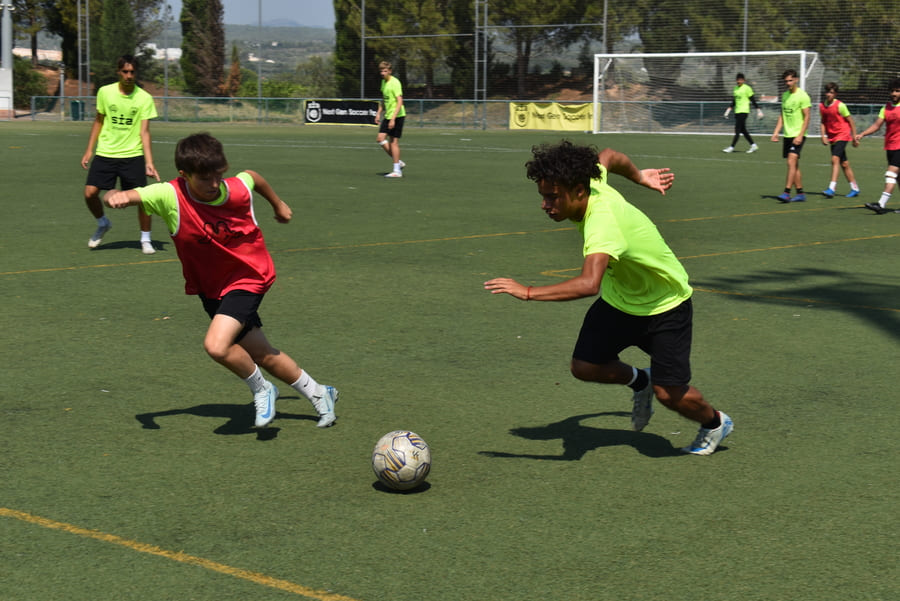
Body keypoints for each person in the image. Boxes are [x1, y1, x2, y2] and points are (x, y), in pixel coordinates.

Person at [484, 140, 733, 456]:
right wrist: (640, 177)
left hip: (665, 306)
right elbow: (610, 156)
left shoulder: (602, 223)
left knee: (669, 394)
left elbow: (589, 284)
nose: (545, 205)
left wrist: (528, 292)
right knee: (585, 366)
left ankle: (715, 424)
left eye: (552, 197)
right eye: (543, 196)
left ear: (578, 191)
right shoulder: (591, 179)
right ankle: (640, 381)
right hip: (621, 300)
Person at [103, 133, 338, 429]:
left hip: (249, 276)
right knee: (261, 353)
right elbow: (129, 195)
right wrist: (115, 196)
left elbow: (252, 177)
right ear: (184, 175)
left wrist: (278, 204)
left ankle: (262, 389)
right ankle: (320, 393)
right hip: (212, 288)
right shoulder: (169, 195)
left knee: (216, 346)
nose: (214, 184)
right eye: (205, 178)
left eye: (218, 175)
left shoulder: (235, 189)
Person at [80, 55, 160, 254]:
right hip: (106, 152)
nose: (129, 76)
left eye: (132, 72)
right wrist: (89, 149)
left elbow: (145, 132)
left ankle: (145, 239)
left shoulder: (144, 98)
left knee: (143, 199)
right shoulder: (105, 92)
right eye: (125, 71)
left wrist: (149, 162)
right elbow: (99, 121)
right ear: (118, 72)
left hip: (132, 154)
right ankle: (103, 223)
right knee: (90, 193)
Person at [855, 78, 900, 214]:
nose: (894, 93)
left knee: (890, 174)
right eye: (892, 91)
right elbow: (876, 125)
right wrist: (862, 134)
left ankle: (881, 205)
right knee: (898, 177)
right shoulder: (885, 108)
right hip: (890, 146)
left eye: (897, 91)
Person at [770, 69, 812, 202]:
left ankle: (786, 192)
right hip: (787, 134)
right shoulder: (785, 96)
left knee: (791, 161)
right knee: (794, 165)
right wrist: (776, 132)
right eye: (786, 81)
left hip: (798, 134)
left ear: (796, 80)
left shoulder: (803, 96)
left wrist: (800, 135)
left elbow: (807, 117)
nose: (788, 83)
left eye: (790, 80)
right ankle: (800, 193)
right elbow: (782, 115)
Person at [819, 82, 860, 198]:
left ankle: (831, 188)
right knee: (844, 164)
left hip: (843, 135)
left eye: (831, 93)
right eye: (827, 92)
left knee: (835, 159)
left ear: (835, 94)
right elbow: (823, 122)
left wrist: (854, 137)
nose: (829, 94)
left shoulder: (840, 106)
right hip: (832, 136)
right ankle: (855, 188)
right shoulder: (822, 106)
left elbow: (851, 121)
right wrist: (823, 136)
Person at [375, 61, 406, 178]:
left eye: (385, 71)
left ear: (390, 71)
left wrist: (393, 119)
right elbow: (384, 99)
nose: (382, 73)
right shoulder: (383, 82)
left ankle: (397, 171)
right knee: (380, 139)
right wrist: (378, 113)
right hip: (388, 115)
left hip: (397, 116)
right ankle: (398, 161)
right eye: (381, 71)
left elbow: (400, 101)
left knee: (393, 142)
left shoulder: (395, 82)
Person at [723, 73, 764, 154]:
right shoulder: (735, 88)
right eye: (738, 80)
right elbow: (734, 101)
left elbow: (752, 100)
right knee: (743, 130)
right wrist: (728, 110)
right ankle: (753, 145)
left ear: (744, 80)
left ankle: (731, 147)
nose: (739, 81)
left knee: (737, 130)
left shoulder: (747, 88)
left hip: (744, 111)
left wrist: (758, 110)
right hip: (737, 111)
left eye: (741, 80)